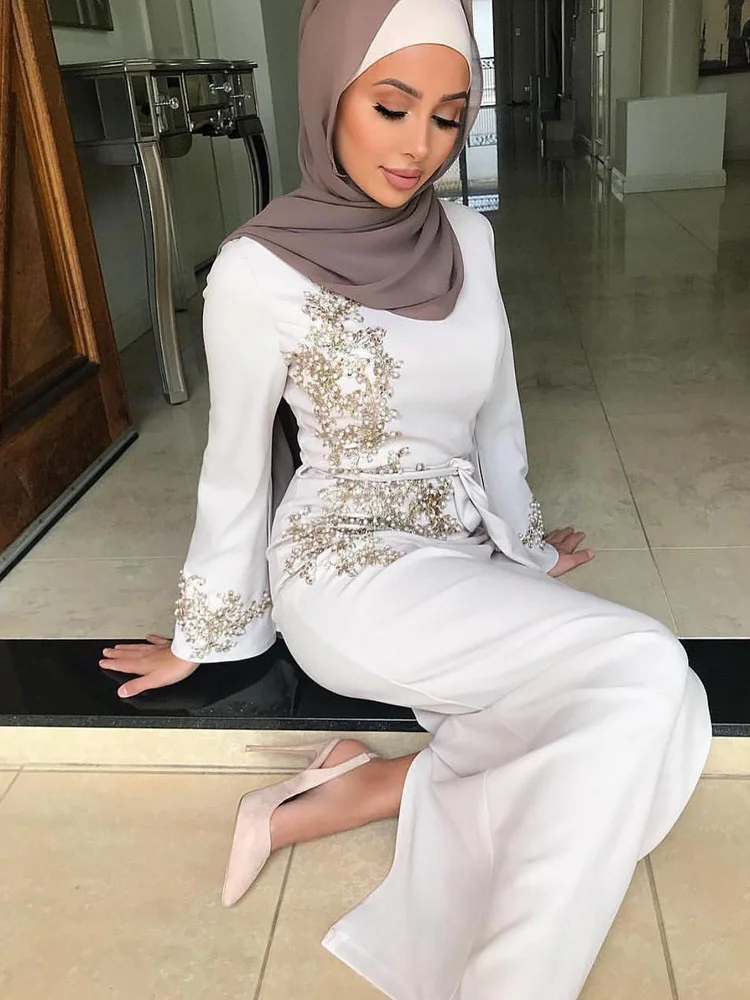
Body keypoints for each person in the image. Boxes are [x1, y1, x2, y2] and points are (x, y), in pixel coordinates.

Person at [100, 1, 712, 997]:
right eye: (391, 107)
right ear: (331, 93)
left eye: (447, 116)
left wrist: (522, 544)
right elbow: (235, 464)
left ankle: (372, 785)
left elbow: (498, 415)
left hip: (456, 551)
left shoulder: (468, 236)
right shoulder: (257, 268)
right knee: (644, 664)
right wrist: (203, 636)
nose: (419, 144)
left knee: (668, 697)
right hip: (344, 568)